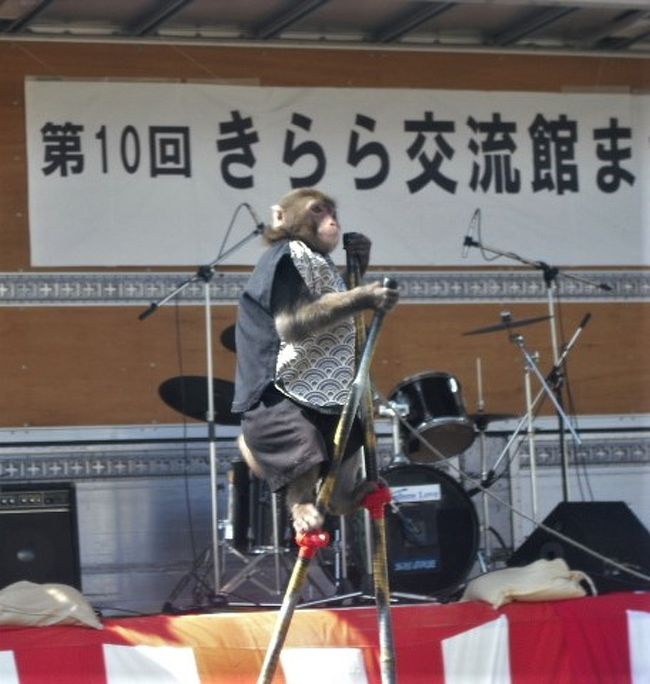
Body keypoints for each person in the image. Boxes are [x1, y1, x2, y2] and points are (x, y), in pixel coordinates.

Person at [232, 188, 399, 535]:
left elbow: (330, 309)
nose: (331, 220)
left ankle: (342, 496)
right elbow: (292, 323)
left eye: (332, 211)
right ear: (281, 217)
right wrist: (362, 296)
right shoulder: (285, 255)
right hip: (277, 390)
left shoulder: (313, 259)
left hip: (317, 387)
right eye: (317, 211)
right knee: (301, 437)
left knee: (350, 427)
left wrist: (356, 271)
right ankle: (300, 504)